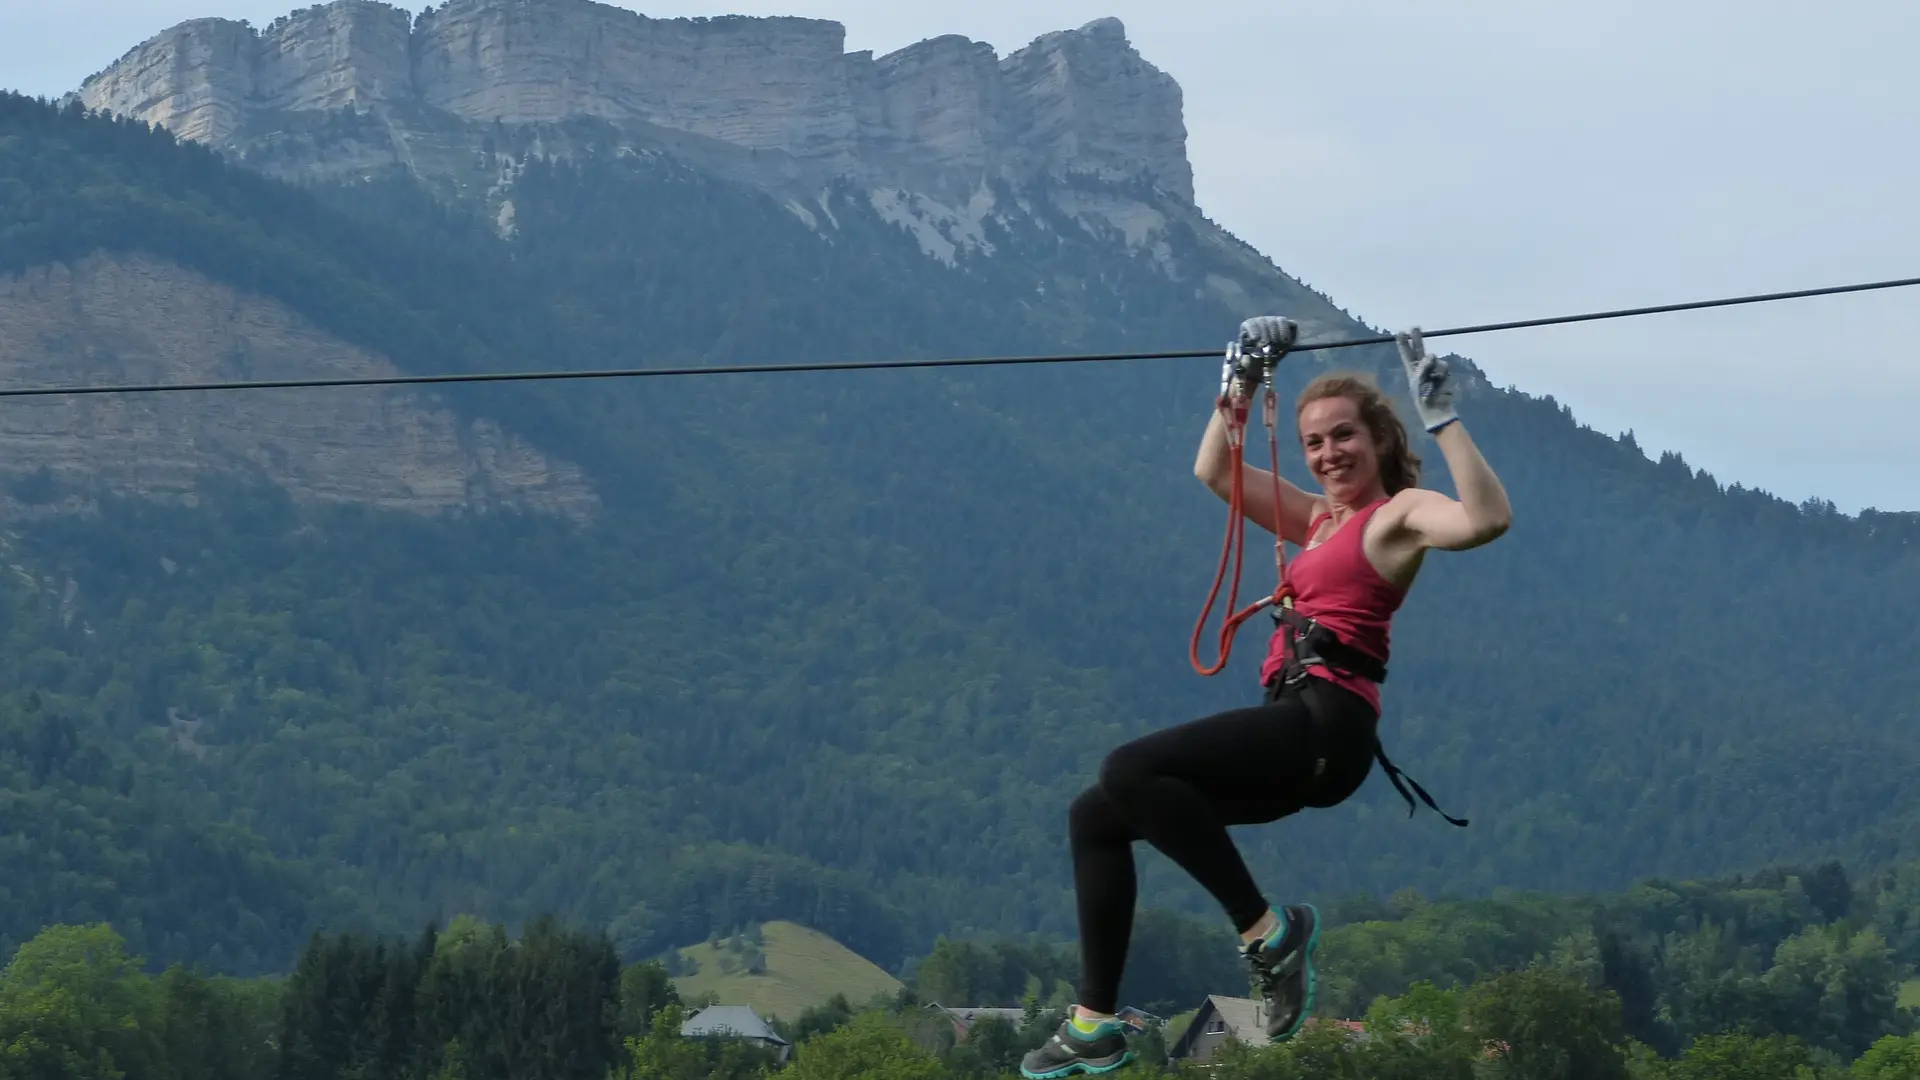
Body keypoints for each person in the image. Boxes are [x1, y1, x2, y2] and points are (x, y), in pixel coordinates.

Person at [1019, 318, 1513, 1079]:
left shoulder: (1397, 518)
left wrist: (1444, 420)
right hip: (1294, 728)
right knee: (1097, 815)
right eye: (1315, 443)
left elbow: (1486, 520)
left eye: (1343, 436)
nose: (1327, 454)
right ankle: (1095, 1023)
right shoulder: (1316, 520)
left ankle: (1267, 932)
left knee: (1128, 769)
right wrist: (1239, 384)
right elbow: (1214, 472)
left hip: (1326, 726)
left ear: (1379, 440)